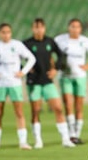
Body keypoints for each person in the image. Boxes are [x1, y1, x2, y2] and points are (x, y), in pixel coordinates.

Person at [0, 23, 36, 150]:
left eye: (8, 32)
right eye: (3, 32)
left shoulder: (17, 45)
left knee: (19, 112)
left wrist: (23, 72)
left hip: (15, 83)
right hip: (0, 84)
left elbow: (31, 58)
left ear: (11, 33)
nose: (6, 34)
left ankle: (23, 142)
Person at [23, 18, 75, 148]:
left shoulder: (49, 42)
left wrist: (55, 69)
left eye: (41, 27)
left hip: (48, 81)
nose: (39, 29)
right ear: (32, 28)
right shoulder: (26, 43)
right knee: (35, 111)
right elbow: (15, 58)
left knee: (58, 108)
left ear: (44, 28)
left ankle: (65, 139)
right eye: (36, 27)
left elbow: (61, 56)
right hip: (33, 82)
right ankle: (38, 140)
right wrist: (23, 69)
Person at [54, 18, 88, 144]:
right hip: (65, 76)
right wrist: (55, 64)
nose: (75, 29)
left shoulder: (85, 41)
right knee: (68, 104)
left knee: (78, 106)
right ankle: (72, 134)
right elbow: (50, 52)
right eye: (72, 26)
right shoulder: (60, 40)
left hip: (80, 76)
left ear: (80, 29)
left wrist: (87, 66)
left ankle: (77, 134)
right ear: (69, 27)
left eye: (77, 26)